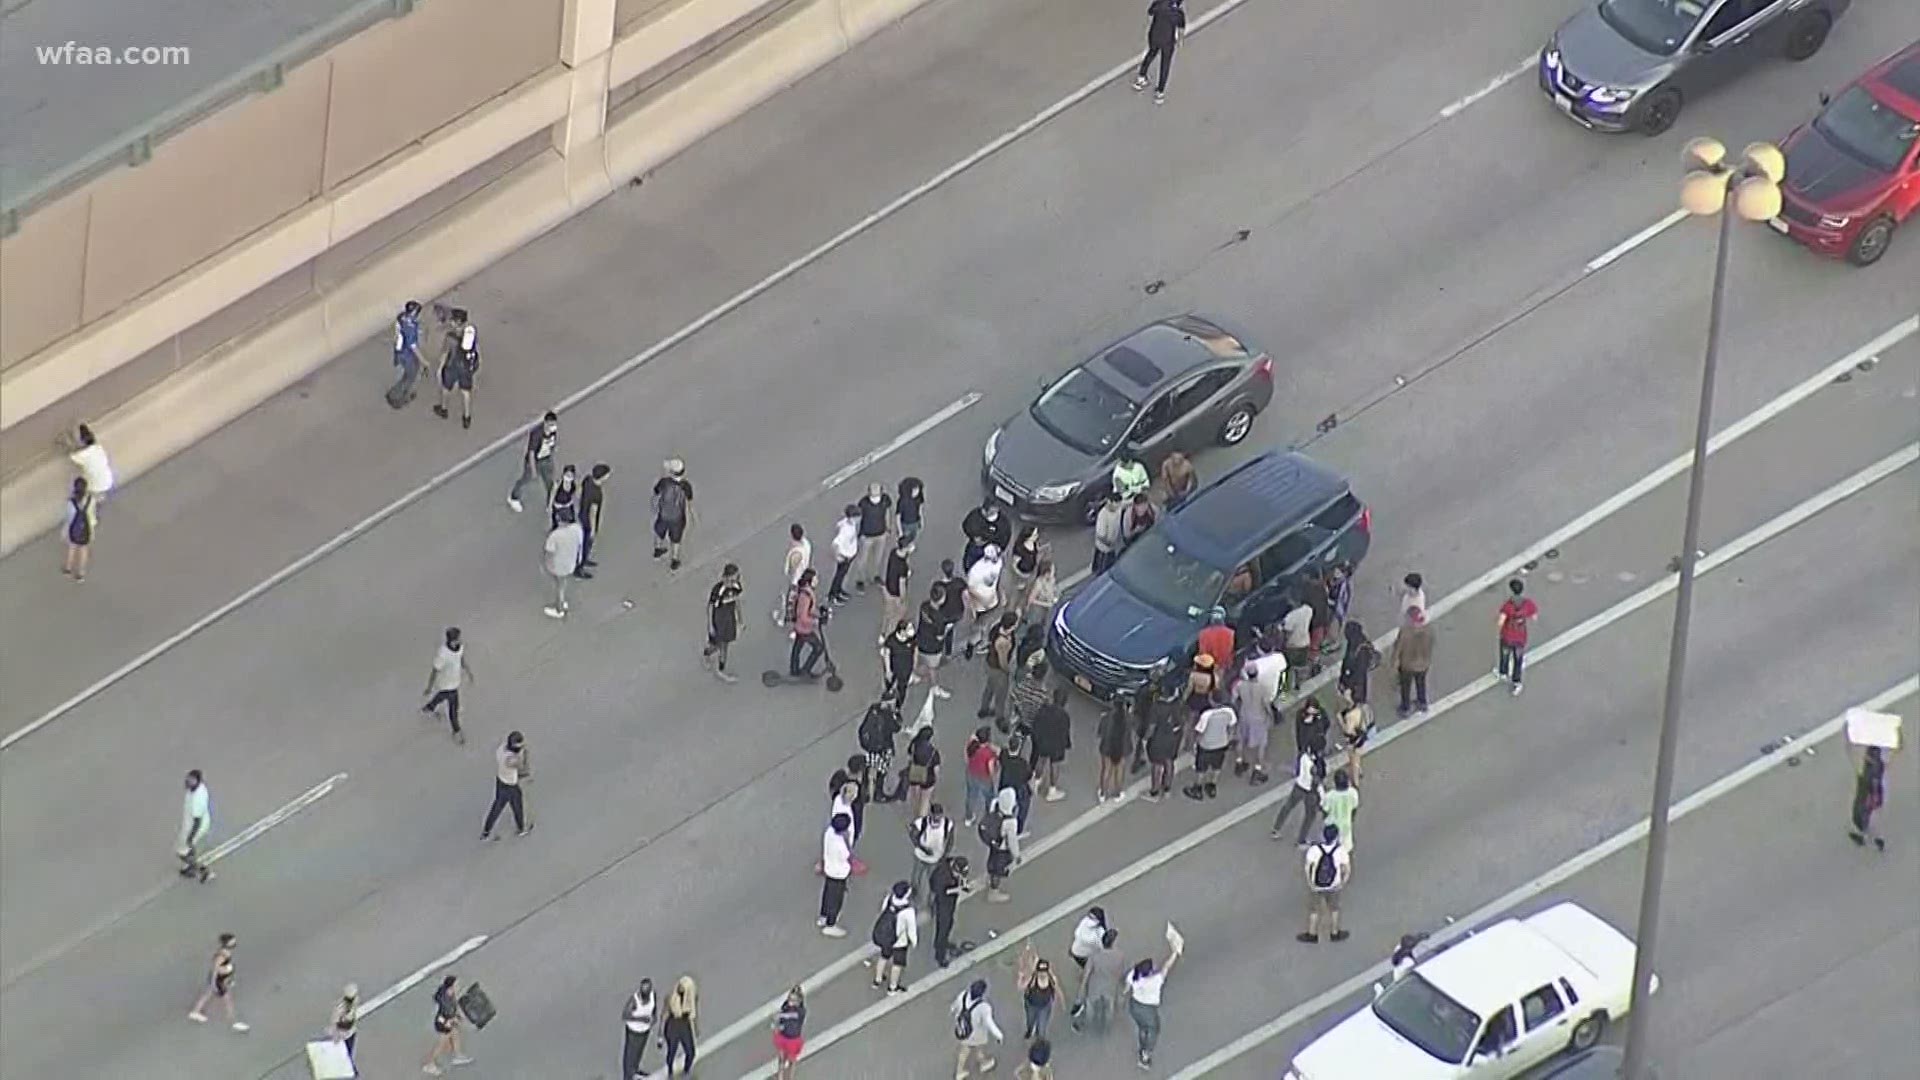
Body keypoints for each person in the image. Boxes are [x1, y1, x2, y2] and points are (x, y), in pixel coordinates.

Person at [1124, 944, 1180, 1068]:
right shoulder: (1155, 980)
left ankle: (1142, 1043)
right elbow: (1166, 967)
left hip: (1134, 1006)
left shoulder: (1133, 974)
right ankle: (1145, 1055)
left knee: (1142, 1027)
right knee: (1154, 1030)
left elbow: (1127, 988)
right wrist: (1175, 953)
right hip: (1148, 1010)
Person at [1298, 822, 1353, 943]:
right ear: (1336, 837)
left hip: (1316, 885)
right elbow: (1347, 869)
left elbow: (1308, 867)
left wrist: (1310, 882)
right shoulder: (1340, 851)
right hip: (1333, 885)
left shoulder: (1314, 849)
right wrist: (1342, 883)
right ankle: (1334, 933)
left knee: (1314, 910)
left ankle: (1312, 934)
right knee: (1334, 909)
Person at [422, 626, 474, 744]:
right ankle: (456, 730)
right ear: (451, 640)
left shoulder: (460, 648)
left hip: (454, 681)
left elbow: (461, 659)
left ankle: (429, 707)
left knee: (442, 696)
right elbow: (435, 670)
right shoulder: (443, 654)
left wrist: (468, 671)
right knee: (453, 708)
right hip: (446, 683)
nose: (460, 640)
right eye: (458, 639)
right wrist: (429, 687)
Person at [187, 932, 248, 1031]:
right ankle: (234, 1022)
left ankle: (195, 1012)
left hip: (221, 979)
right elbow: (216, 969)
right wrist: (214, 982)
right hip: (218, 981)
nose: (234, 942)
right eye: (232, 941)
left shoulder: (226, 953)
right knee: (228, 1000)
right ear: (227, 943)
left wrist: (229, 975)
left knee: (208, 994)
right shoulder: (222, 955)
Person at [1131, 0, 1187, 105]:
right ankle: (1160, 92)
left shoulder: (1159, 3)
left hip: (1154, 36)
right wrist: (1179, 41)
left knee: (1150, 54)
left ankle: (1141, 78)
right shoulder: (1178, 13)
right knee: (1165, 65)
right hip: (1168, 42)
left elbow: (1150, 12)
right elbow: (1181, 29)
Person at [1270, 744, 1326, 844]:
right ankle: (1301, 839)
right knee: (1309, 815)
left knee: (1288, 806)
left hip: (1299, 785)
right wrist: (1322, 797)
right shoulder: (1314, 765)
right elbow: (1316, 781)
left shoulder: (1304, 757)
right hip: (1310, 791)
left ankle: (1276, 828)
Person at [432, 308, 480, 428]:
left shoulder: (450, 337)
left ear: (455, 322)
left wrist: (440, 367)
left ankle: (443, 409)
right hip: (466, 367)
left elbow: (444, 353)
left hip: (452, 366)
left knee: (446, 388)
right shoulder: (470, 333)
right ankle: (466, 417)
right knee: (465, 392)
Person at [481, 731, 532, 839]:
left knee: (497, 806)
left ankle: (486, 831)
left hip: (500, 781)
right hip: (510, 785)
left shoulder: (501, 750)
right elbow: (523, 770)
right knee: (517, 805)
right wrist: (525, 755)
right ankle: (521, 828)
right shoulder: (511, 760)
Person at [1073, 927, 1125, 1035]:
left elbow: (1086, 974)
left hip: (1095, 986)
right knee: (1109, 1008)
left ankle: (1087, 1025)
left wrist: (1081, 990)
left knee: (1090, 1007)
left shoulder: (1094, 956)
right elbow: (1119, 973)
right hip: (1110, 986)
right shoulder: (1119, 956)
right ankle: (1107, 1028)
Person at [1183, 699, 1236, 800]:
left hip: (1206, 745)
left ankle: (1197, 789)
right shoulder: (1229, 712)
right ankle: (1212, 786)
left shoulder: (1207, 714)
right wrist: (1227, 739)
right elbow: (1232, 728)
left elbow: (1200, 731)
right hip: (1221, 744)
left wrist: (1195, 742)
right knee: (1217, 766)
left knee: (1201, 767)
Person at [870, 881, 918, 993]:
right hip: (900, 941)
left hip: (886, 938)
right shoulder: (908, 911)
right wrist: (914, 941)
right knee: (897, 964)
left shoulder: (889, 899)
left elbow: (883, 911)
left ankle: (877, 979)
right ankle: (893, 987)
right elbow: (911, 929)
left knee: (884, 956)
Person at [952, 978, 1006, 1077]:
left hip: (963, 1029)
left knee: (967, 1049)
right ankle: (981, 1064)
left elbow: (954, 1007)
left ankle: (967, 1068)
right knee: (975, 1049)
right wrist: (999, 1035)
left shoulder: (963, 995)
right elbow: (990, 1023)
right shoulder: (984, 1007)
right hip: (976, 1034)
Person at [1232, 660, 1275, 783]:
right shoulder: (1262, 688)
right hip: (1258, 718)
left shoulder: (1240, 685)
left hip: (1244, 715)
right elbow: (1266, 705)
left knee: (1240, 740)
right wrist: (1271, 716)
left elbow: (1234, 699)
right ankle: (1257, 769)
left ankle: (1239, 762)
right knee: (1261, 745)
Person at [508, 410, 559, 513]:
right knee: (526, 479)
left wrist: (552, 451)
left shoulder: (553, 431)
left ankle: (550, 502)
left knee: (550, 482)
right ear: (546, 423)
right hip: (535, 461)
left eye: (554, 424)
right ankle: (514, 497)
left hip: (546, 459)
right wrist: (533, 469)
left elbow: (552, 442)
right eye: (551, 424)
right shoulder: (537, 434)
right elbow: (531, 452)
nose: (554, 426)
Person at [1029, 687, 1073, 802]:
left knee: (1041, 760)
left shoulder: (1044, 709)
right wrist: (1067, 744)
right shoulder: (1064, 716)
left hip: (1044, 740)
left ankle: (1036, 782)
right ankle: (1052, 790)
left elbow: (1036, 724)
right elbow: (1065, 731)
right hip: (1057, 744)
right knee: (1055, 765)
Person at [422, 974, 472, 1074]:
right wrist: (454, 1019)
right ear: (451, 987)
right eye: (456, 985)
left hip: (447, 1021)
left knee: (455, 1034)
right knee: (441, 1045)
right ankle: (429, 1064)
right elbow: (448, 1014)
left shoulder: (449, 994)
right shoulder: (446, 1001)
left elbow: (453, 1008)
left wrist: (456, 1016)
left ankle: (458, 1055)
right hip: (444, 1024)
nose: (458, 986)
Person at [1496, 578, 1539, 695]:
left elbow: (1500, 622)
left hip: (1507, 636)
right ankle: (1516, 683)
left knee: (1505, 655)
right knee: (1518, 660)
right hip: (1520, 637)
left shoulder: (1508, 606)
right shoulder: (1527, 604)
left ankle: (1503, 673)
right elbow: (1534, 617)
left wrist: (1501, 627)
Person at [703, 563, 744, 682]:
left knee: (725, 643)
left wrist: (740, 619)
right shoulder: (718, 590)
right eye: (731, 579)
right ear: (725, 577)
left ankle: (721, 666)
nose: (733, 582)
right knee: (716, 644)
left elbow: (737, 602)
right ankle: (707, 654)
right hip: (719, 619)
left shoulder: (736, 587)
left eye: (736, 578)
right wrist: (710, 624)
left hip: (729, 618)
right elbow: (710, 607)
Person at [652, 459, 695, 570]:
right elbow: (689, 502)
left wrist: (656, 506)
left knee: (659, 531)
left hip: (663, 514)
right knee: (676, 539)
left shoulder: (664, 482)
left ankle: (658, 549)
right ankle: (675, 559)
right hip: (678, 517)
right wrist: (691, 514)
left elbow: (656, 493)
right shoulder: (686, 486)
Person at [543, 506, 584, 619]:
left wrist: (548, 565)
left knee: (559, 586)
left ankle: (559, 608)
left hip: (558, 565)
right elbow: (580, 546)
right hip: (571, 563)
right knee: (563, 583)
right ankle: (561, 601)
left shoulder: (555, 535)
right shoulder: (577, 529)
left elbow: (549, 553)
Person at [963, 546, 1006, 657]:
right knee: (977, 626)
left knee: (984, 624)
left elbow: (997, 579)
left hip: (992, 602)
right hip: (979, 606)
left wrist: (1000, 592)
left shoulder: (998, 563)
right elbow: (970, 589)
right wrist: (983, 600)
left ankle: (981, 639)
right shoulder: (976, 571)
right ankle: (971, 645)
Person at [979, 611, 1020, 725]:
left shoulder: (997, 628)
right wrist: (1007, 671)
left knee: (989, 688)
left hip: (990, 664)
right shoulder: (1003, 642)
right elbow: (1003, 661)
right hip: (998, 669)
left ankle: (984, 709)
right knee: (1001, 694)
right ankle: (999, 717)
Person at [915, 581, 954, 701]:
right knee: (933, 668)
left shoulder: (924, 606)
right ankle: (935, 687)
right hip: (932, 647)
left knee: (920, 660)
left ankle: (916, 675)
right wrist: (948, 628)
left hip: (920, 639)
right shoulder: (940, 618)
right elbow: (940, 637)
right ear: (941, 600)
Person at [1392, 605, 1434, 716]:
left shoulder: (1405, 632)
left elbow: (1398, 649)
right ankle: (1422, 702)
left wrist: (1395, 663)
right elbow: (1430, 645)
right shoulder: (1428, 631)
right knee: (1421, 683)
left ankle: (1405, 708)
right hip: (1423, 664)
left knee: (1405, 687)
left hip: (1408, 665)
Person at [909, 800, 952, 901]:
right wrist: (922, 848)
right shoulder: (922, 822)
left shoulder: (947, 824)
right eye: (935, 815)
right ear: (931, 814)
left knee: (933, 881)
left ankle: (931, 900)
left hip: (936, 858)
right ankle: (913, 896)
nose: (937, 818)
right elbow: (913, 834)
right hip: (920, 856)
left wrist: (944, 855)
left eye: (939, 815)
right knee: (916, 878)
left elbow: (950, 840)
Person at [983, 788, 1021, 902]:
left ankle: (990, 880)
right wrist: (1016, 855)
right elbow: (1012, 840)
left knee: (992, 863)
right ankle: (993, 892)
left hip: (993, 843)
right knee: (998, 869)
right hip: (1002, 848)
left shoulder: (994, 805)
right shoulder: (1010, 821)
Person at [930, 854, 969, 966]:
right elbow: (942, 891)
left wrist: (963, 882)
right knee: (943, 926)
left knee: (950, 922)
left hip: (950, 901)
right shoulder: (942, 876)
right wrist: (958, 889)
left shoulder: (953, 865)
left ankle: (944, 942)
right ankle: (940, 955)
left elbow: (962, 877)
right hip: (943, 903)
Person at [854, 481, 894, 590]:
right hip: (867, 536)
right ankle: (860, 580)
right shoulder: (863, 503)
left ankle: (875, 575)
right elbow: (858, 519)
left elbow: (887, 513)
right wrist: (859, 534)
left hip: (881, 534)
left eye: (877, 494)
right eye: (873, 494)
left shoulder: (885, 500)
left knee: (878, 558)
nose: (875, 497)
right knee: (863, 559)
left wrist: (888, 527)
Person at [61, 422, 115, 503]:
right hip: (87, 459)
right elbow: (83, 481)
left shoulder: (109, 482)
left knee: (89, 448)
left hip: (98, 453)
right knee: (74, 455)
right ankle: (65, 438)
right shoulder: (92, 487)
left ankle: (81, 430)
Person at [818, 813, 853, 936]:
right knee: (836, 900)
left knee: (827, 894)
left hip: (829, 869)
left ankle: (823, 916)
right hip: (839, 873)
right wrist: (847, 840)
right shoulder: (840, 844)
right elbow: (847, 855)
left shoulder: (829, 833)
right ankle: (831, 924)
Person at [177, 769, 213, 883]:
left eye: (191, 780)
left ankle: (203, 870)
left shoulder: (198, 798)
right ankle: (191, 868)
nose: (188, 782)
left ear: (197, 781)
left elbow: (197, 821)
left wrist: (191, 837)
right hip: (191, 823)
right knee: (189, 849)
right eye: (188, 779)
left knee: (182, 852)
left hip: (195, 827)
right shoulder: (195, 789)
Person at [1849, 745, 1888, 851]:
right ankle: (1871, 837)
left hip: (1870, 795)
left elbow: (1872, 781)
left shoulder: (1873, 767)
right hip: (1873, 793)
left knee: (1866, 815)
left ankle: (1871, 838)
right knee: (1869, 816)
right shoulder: (1879, 765)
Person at [1066, 907, 1109, 1003]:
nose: (1090, 920)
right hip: (1078, 953)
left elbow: (1100, 945)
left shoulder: (1099, 932)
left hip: (1083, 954)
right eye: (1090, 916)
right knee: (1089, 969)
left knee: (1087, 967)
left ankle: (1088, 976)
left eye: (1093, 918)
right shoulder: (1085, 921)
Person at [789, 569, 825, 678]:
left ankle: (794, 670)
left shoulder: (806, 592)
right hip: (804, 628)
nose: (817, 580)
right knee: (818, 648)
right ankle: (805, 670)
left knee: (797, 647)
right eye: (815, 578)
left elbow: (810, 610)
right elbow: (803, 616)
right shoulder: (805, 596)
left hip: (799, 626)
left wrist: (819, 614)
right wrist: (816, 621)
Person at [998, 732, 1036, 837]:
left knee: (1006, 808)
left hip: (1005, 785)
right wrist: (1032, 790)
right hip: (1019, 789)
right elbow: (1029, 777)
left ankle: (1002, 824)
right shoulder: (1022, 763)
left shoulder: (1004, 755)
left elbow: (998, 751)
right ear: (1019, 748)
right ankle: (1018, 830)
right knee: (1023, 808)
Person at [1096, 695, 1133, 803]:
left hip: (1107, 747)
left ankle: (1102, 793)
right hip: (1122, 748)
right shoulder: (1128, 718)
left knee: (1106, 770)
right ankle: (1118, 793)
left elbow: (1100, 733)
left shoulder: (1106, 718)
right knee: (1119, 771)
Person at [1019, 953, 1063, 1042]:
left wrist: (1062, 1001)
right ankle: (1030, 1030)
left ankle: (1039, 1042)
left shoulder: (1052, 979)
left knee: (1042, 1028)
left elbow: (1057, 989)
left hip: (1044, 1006)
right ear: (1037, 971)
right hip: (1031, 1005)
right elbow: (1021, 987)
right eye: (1040, 971)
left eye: (1044, 971)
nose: (1042, 974)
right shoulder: (1032, 979)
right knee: (1030, 1021)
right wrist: (1021, 978)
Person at [577, 463, 611, 577]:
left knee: (583, 542)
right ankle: (580, 567)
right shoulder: (597, 493)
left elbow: (579, 491)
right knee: (587, 544)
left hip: (582, 515)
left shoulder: (587, 480)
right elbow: (593, 511)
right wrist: (593, 529)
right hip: (588, 522)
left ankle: (583, 559)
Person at [660, 975, 698, 1076]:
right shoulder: (671, 997)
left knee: (691, 1052)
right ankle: (670, 1070)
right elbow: (664, 1014)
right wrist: (660, 1035)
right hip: (673, 1023)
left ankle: (686, 1070)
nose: (680, 988)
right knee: (672, 1051)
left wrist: (695, 1027)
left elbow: (692, 1013)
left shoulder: (690, 997)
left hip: (684, 1023)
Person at [1143, 703, 1181, 802]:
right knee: (1169, 763)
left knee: (1157, 765)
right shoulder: (1176, 705)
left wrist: (1145, 738)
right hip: (1172, 739)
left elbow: (1151, 727)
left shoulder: (1156, 707)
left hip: (1158, 739)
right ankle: (1167, 789)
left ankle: (1154, 791)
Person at [963, 726, 1000, 827]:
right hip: (984, 778)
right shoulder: (989, 753)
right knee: (989, 797)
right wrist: (993, 778)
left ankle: (969, 817)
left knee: (971, 796)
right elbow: (991, 768)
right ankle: (988, 816)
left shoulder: (971, 746)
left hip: (971, 773)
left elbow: (966, 758)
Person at [775, 524, 811, 626]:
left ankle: (784, 619)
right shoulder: (807, 544)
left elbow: (793, 567)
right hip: (803, 574)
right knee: (796, 600)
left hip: (795, 579)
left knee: (788, 600)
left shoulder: (797, 552)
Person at [61, 477, 96, 581]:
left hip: (74, 530)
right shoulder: (91, 500)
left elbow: (69, 518)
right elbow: (92, 515)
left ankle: (68, 569)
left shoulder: (71, 503)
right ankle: (80, 574)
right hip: (86, 529)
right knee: (83, 550)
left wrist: (64, 531)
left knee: (72, 548)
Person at [622, 978, 658, 1080]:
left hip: (645, 1031)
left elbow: (654, 1009)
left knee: (639, 1052)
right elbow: (625, 1015)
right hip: (633, 1031)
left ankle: (635, 1070)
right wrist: (642, 1019)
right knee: (630, 1055)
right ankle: (628, 1076)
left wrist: (654, 1018)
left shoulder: (652, 996)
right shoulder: (634, 1000)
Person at [961, 501, 1012, 571]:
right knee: (970, 561)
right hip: (975, 547)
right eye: (983, 510)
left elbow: (1005, 538)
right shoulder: (976, 514)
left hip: (990, 553)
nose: (982, 512)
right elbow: (966, 525)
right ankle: (968, 570)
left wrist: (996, 547)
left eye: (985, 511)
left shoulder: (1002, 523)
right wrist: (973, 537)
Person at [902, 727, 942, 817]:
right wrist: (936, 780)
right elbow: (936, 770)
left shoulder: (914, 744)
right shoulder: (933, 752)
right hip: (928, 777)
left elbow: (910, 756)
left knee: (915, 796)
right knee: (925, 800)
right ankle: (920, 819)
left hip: (915, 773)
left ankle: (915, 812)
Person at [1338, 621, 1378, 708]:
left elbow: (1359, 672)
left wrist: (1347, 684)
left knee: (1357, 696)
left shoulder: (1361, 649)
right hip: (1353, 673)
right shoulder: (1355, 641)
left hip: (1356, 679)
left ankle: (1357, 705)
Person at [881, 535, 914, 636]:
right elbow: (902, 584)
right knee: (896, 617)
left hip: (887, 588)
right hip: (895, 594)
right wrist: (902, 599)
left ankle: (883, 633)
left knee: (888, 614)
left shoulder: (893, 552)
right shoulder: (902, 567)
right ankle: (889, 636)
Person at [828, 503, 860, 604]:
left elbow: (839, 524)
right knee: (839, 575)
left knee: (842, 574)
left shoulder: (849, 523)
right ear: (851, 518)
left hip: (850, 554)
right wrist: (838, 556)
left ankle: (839, 590)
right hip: (845, 556)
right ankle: (833, 595)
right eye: (856, 517)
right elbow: (835, 544)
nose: (858, 520)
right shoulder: (845, 530)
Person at [1320, 768, 1359, 850]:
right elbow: (1354, 808)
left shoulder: (1330, 796)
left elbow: (1325, 810)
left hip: (1331, 828)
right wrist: (1351, 818)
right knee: (1346, 850)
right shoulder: (1353, 793)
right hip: (1346, 826)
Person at [771, 985, 806, 1079]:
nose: (791, 1002)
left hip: (793, 1039)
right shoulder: (786, 1007)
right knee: (781, 1059)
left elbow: (792, 1016)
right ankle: (780, 1077)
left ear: (799, 1001)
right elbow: (782, 1021)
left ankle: (790, 1078)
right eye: (790, 999)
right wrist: (777, 1025)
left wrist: (782, 1016)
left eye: (794, 1000)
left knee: (792, 1061)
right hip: (784, 1036)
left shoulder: (801, 1011)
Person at [1021, 554, 1059, 630]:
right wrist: (1046, 604)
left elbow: (1054, 588)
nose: (1054, 572)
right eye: (1052, 570)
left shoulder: (1052, 579)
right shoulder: (1038, 584)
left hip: (1048, 606)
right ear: (1046, 573)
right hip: (1039, 609)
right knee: (1036, 623)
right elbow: (1031, 600)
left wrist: (1055, 595)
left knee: (1045, 620)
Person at [1092, 492, 1127, 574]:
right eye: (1116, 504)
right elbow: (1100, 535)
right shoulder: (1103, 515)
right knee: (1102, 569)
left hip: (1112, 547)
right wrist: (1109, 544)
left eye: (1119, 504)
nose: (1118, 506)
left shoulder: (1118, 507)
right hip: (1104, 549)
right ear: (1109, 502)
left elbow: (1126, 504)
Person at [1008, 524, 1042, 604]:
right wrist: (1018, 575)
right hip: (1022, 571)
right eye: (1034, 535)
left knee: (1027, 582)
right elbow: (1014, 563)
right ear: (1028, 536)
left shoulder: (1034, 544)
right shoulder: (1020, 549)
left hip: (1030, 569)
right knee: (1021, 586)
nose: (1037, 536)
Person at [1196, 607, 1234, 673]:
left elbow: (1202, 652)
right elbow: (1228, 654)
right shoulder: (1230, 633)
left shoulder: (1203, 633)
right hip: (1221, 669)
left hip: (1207, 668)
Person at [329, 983, 359, 1062]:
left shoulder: (355, 1002)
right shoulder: (340, 1007)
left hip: (350, 1031)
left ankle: (349, 1062)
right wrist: (335, 1034)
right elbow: (335, 1021)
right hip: (341, 1032)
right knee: (340, 1050)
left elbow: (354, 1015)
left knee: (349, 1050)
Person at [548, 463, 579, 532]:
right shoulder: (558, 483)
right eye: (567, 475)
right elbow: (552, 494)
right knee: (555, 521)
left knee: (571, 520)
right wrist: (550, 506)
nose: (569, 477)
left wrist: (575, 504)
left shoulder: (573, 484)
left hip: (568, 504)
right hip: (558, 505)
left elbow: (573, 494)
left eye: (571, 475)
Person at [896, 476, 926, 545]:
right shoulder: (902, 501)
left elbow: (919, 510)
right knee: (904, 542)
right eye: (915, 490)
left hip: (915, 523)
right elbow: (898, 516)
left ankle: (908, 547)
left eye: (918, 489)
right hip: (905, 524)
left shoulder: (918, 498)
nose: (917, 491)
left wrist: (921, 520)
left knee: (912, 538)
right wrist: (900, 531)